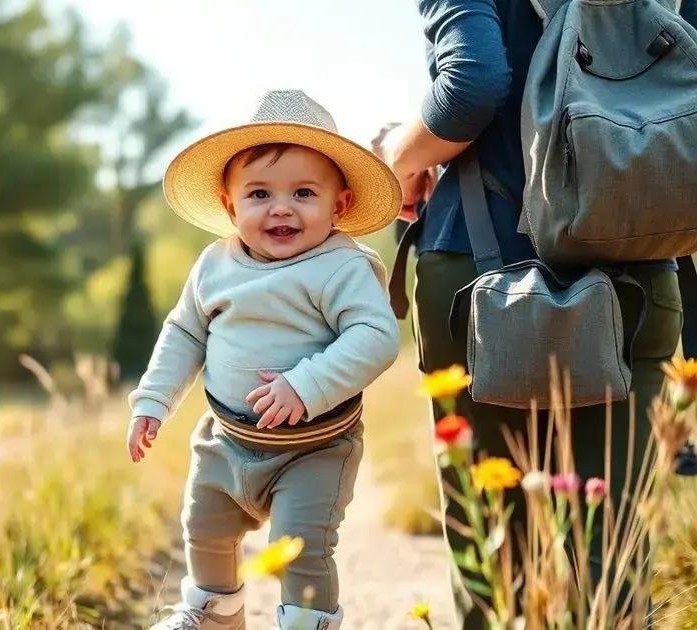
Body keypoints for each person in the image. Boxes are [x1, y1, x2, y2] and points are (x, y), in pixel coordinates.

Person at [377, 1, 697, 626]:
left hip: (480, 260)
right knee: (612, 550)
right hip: (635, 265)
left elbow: (471, 87)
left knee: (498, 549)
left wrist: (399, 152)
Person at [128, 89, 401, 630]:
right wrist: (154, 399)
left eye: (303, 192)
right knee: (203, 526)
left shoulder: (341, 267)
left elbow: (375, 335)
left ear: (338, 207)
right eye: (258, 193)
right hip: (226, 440)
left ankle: (306, 621)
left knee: (300, 546)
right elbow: (183, 332)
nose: (280, 207)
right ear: (231, 207)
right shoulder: (214, 265)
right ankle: (214, 612)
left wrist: (307, 384)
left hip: (315, 447)